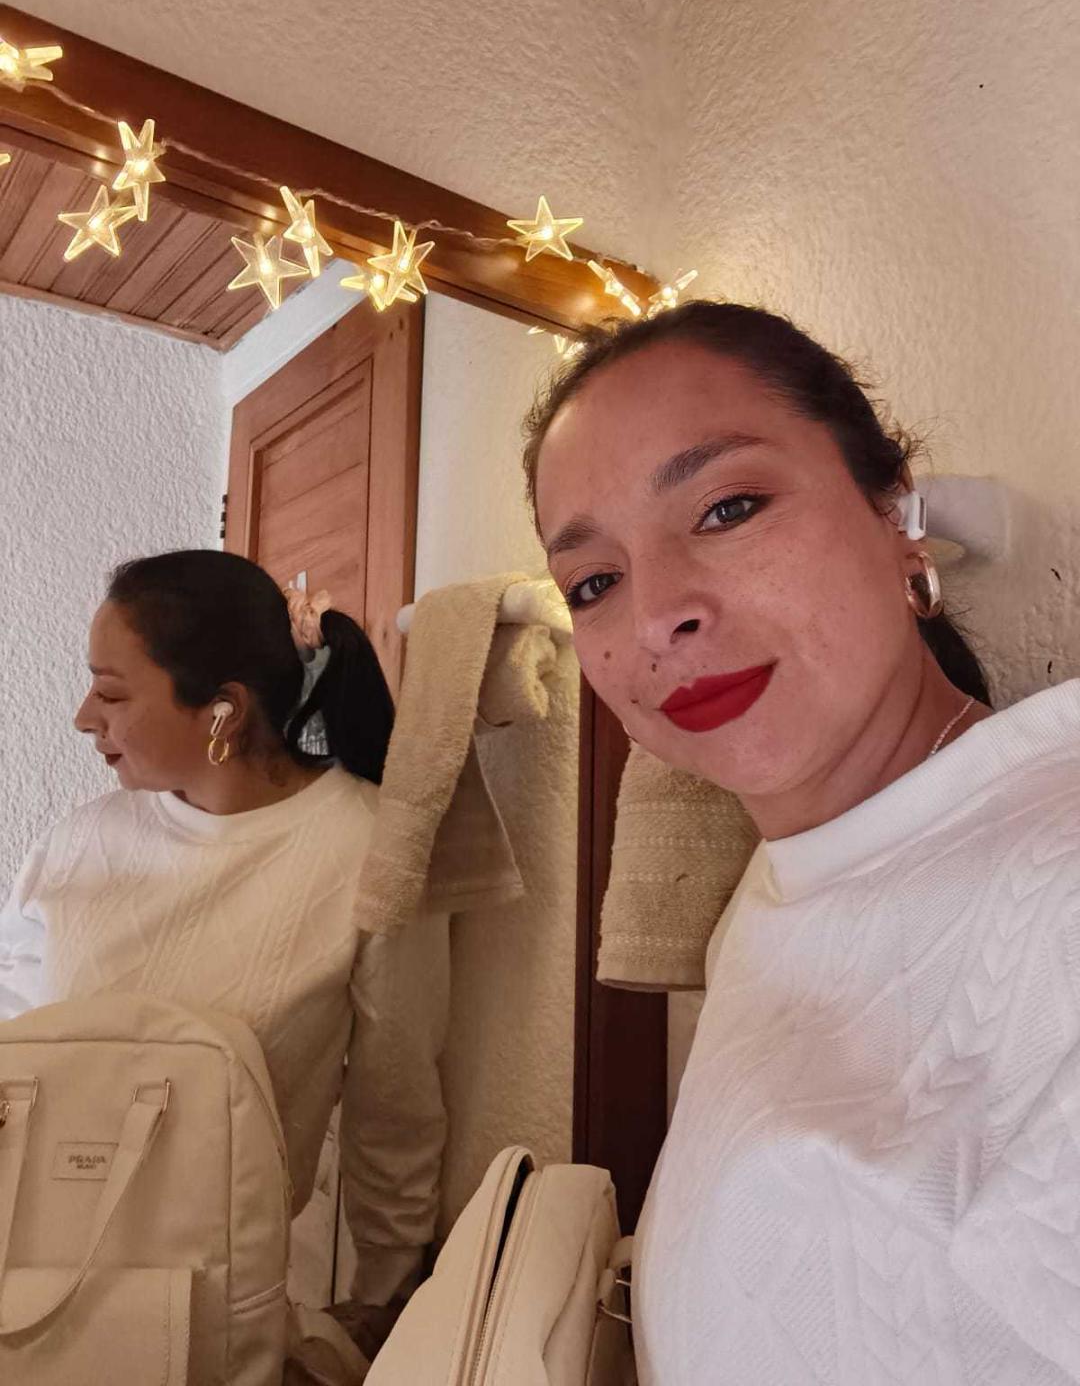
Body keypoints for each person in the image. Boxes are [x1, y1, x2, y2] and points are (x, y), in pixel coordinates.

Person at [525, 302, 1080, 1384]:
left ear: (895, 515)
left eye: (727, 508)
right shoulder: (783, 883)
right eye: (594, 582)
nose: (655, 615)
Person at [0, 550, 449, 1323]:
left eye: (112, 692)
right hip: (27, 1272)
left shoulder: (366, 850)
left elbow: (395, 1100)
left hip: (216, 1309)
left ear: (223, 712)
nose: (83, 717)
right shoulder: (78, 842)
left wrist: (386, 1296)